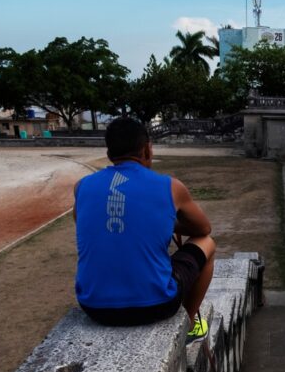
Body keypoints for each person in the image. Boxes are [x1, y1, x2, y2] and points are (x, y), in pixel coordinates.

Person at [73, 117, 215, 343]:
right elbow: (203, 228)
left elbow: (86, 224)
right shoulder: (170, 186)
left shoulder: (82, 186)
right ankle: (187, 326)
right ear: (147, 150)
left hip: (93, 307)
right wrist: (170, 222)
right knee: (207, 243)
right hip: (156, 305)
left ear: (110, 154)